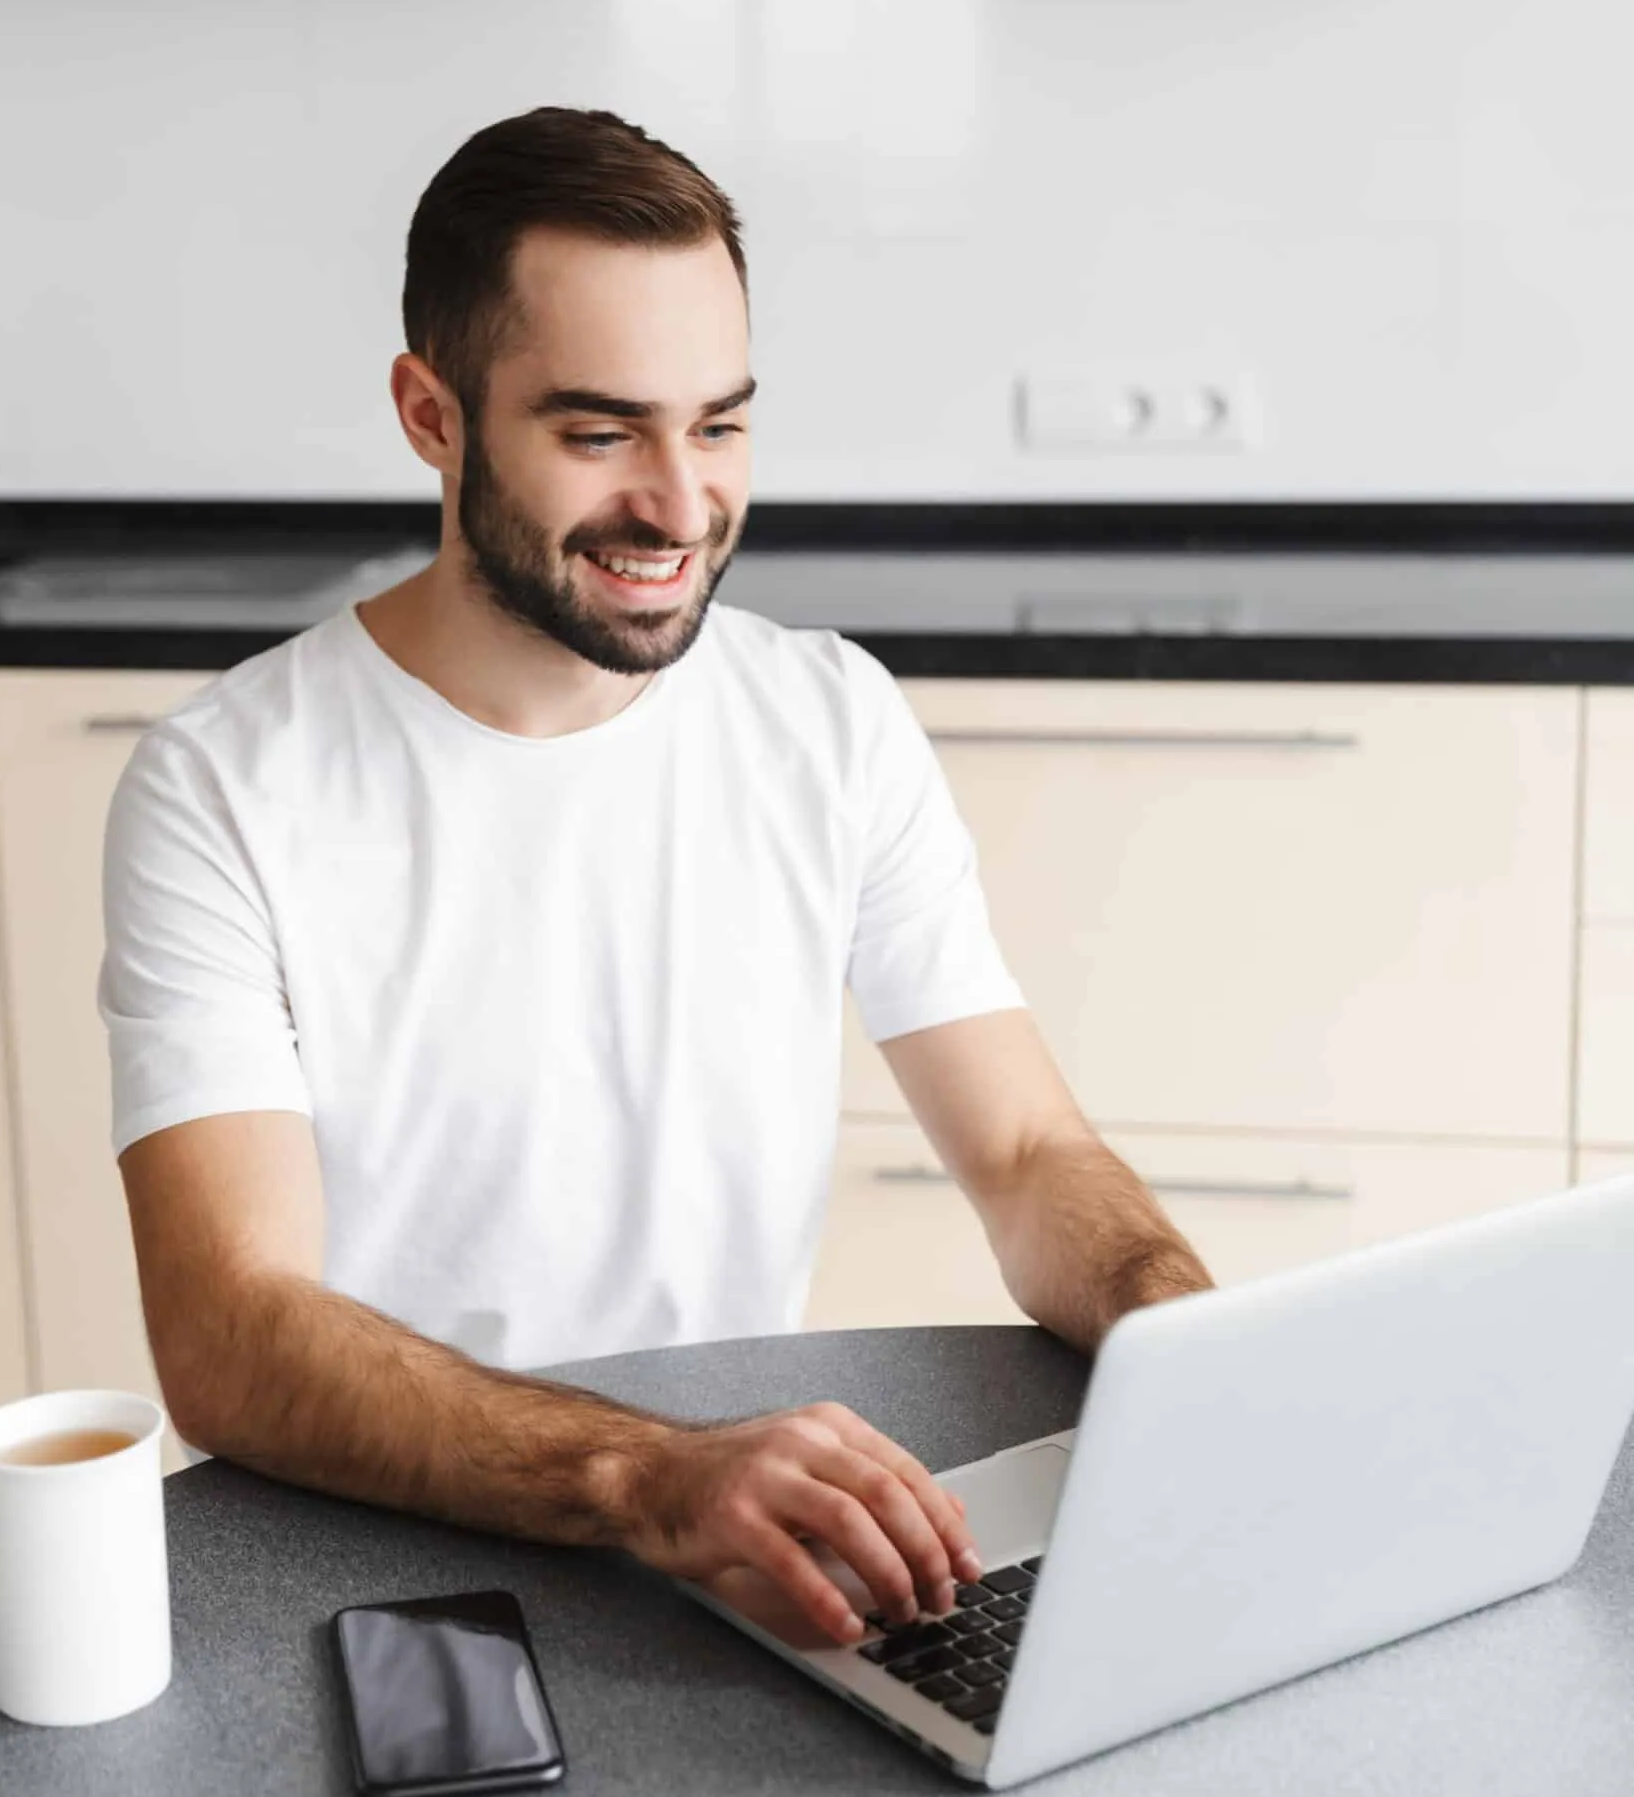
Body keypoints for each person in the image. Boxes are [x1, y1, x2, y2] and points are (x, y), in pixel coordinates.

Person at [101, 105, 1212, 1649]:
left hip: (745, 1536)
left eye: (720, 423)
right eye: (601, 431)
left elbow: (1024, 1151)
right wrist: (645, 1476)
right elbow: (232, 1333)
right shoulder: (225, 785)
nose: (682, 508)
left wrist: (1182, 1332)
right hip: (386, 1562)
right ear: (432, 414)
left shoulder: (825, 720)